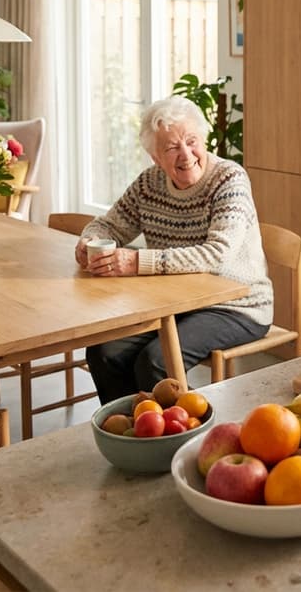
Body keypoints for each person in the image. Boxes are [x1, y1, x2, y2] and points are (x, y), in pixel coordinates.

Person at [78, 95, 272, 403]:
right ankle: (133, 433)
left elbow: (216, 254)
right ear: (155, 157)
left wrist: (136, 262)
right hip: (175, 304)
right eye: (171, 148)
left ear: (203, 139)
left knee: (156, 361)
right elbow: (110, 225)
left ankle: (188, 439)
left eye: (191, 141)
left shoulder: (228, 179)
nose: (185, 154)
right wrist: (90, 240)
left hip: (237, 305)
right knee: (104, 352)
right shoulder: (149, 184)